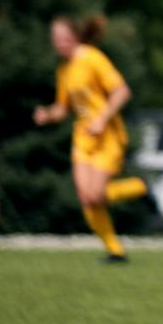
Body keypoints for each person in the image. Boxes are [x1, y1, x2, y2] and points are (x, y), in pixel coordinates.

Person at [31, 15, 148, 263]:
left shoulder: (93, 58)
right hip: (83, 137)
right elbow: (63, 108)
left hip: (108, 136)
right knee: (86, 198)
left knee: (96, 196)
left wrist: (102, 119)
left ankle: (140, 187)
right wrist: (47, 115)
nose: (59, 43)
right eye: (55, 39)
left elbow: (122, 92)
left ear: (74, 36)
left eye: (63, 38)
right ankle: (115, 251)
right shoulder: (64, 69)